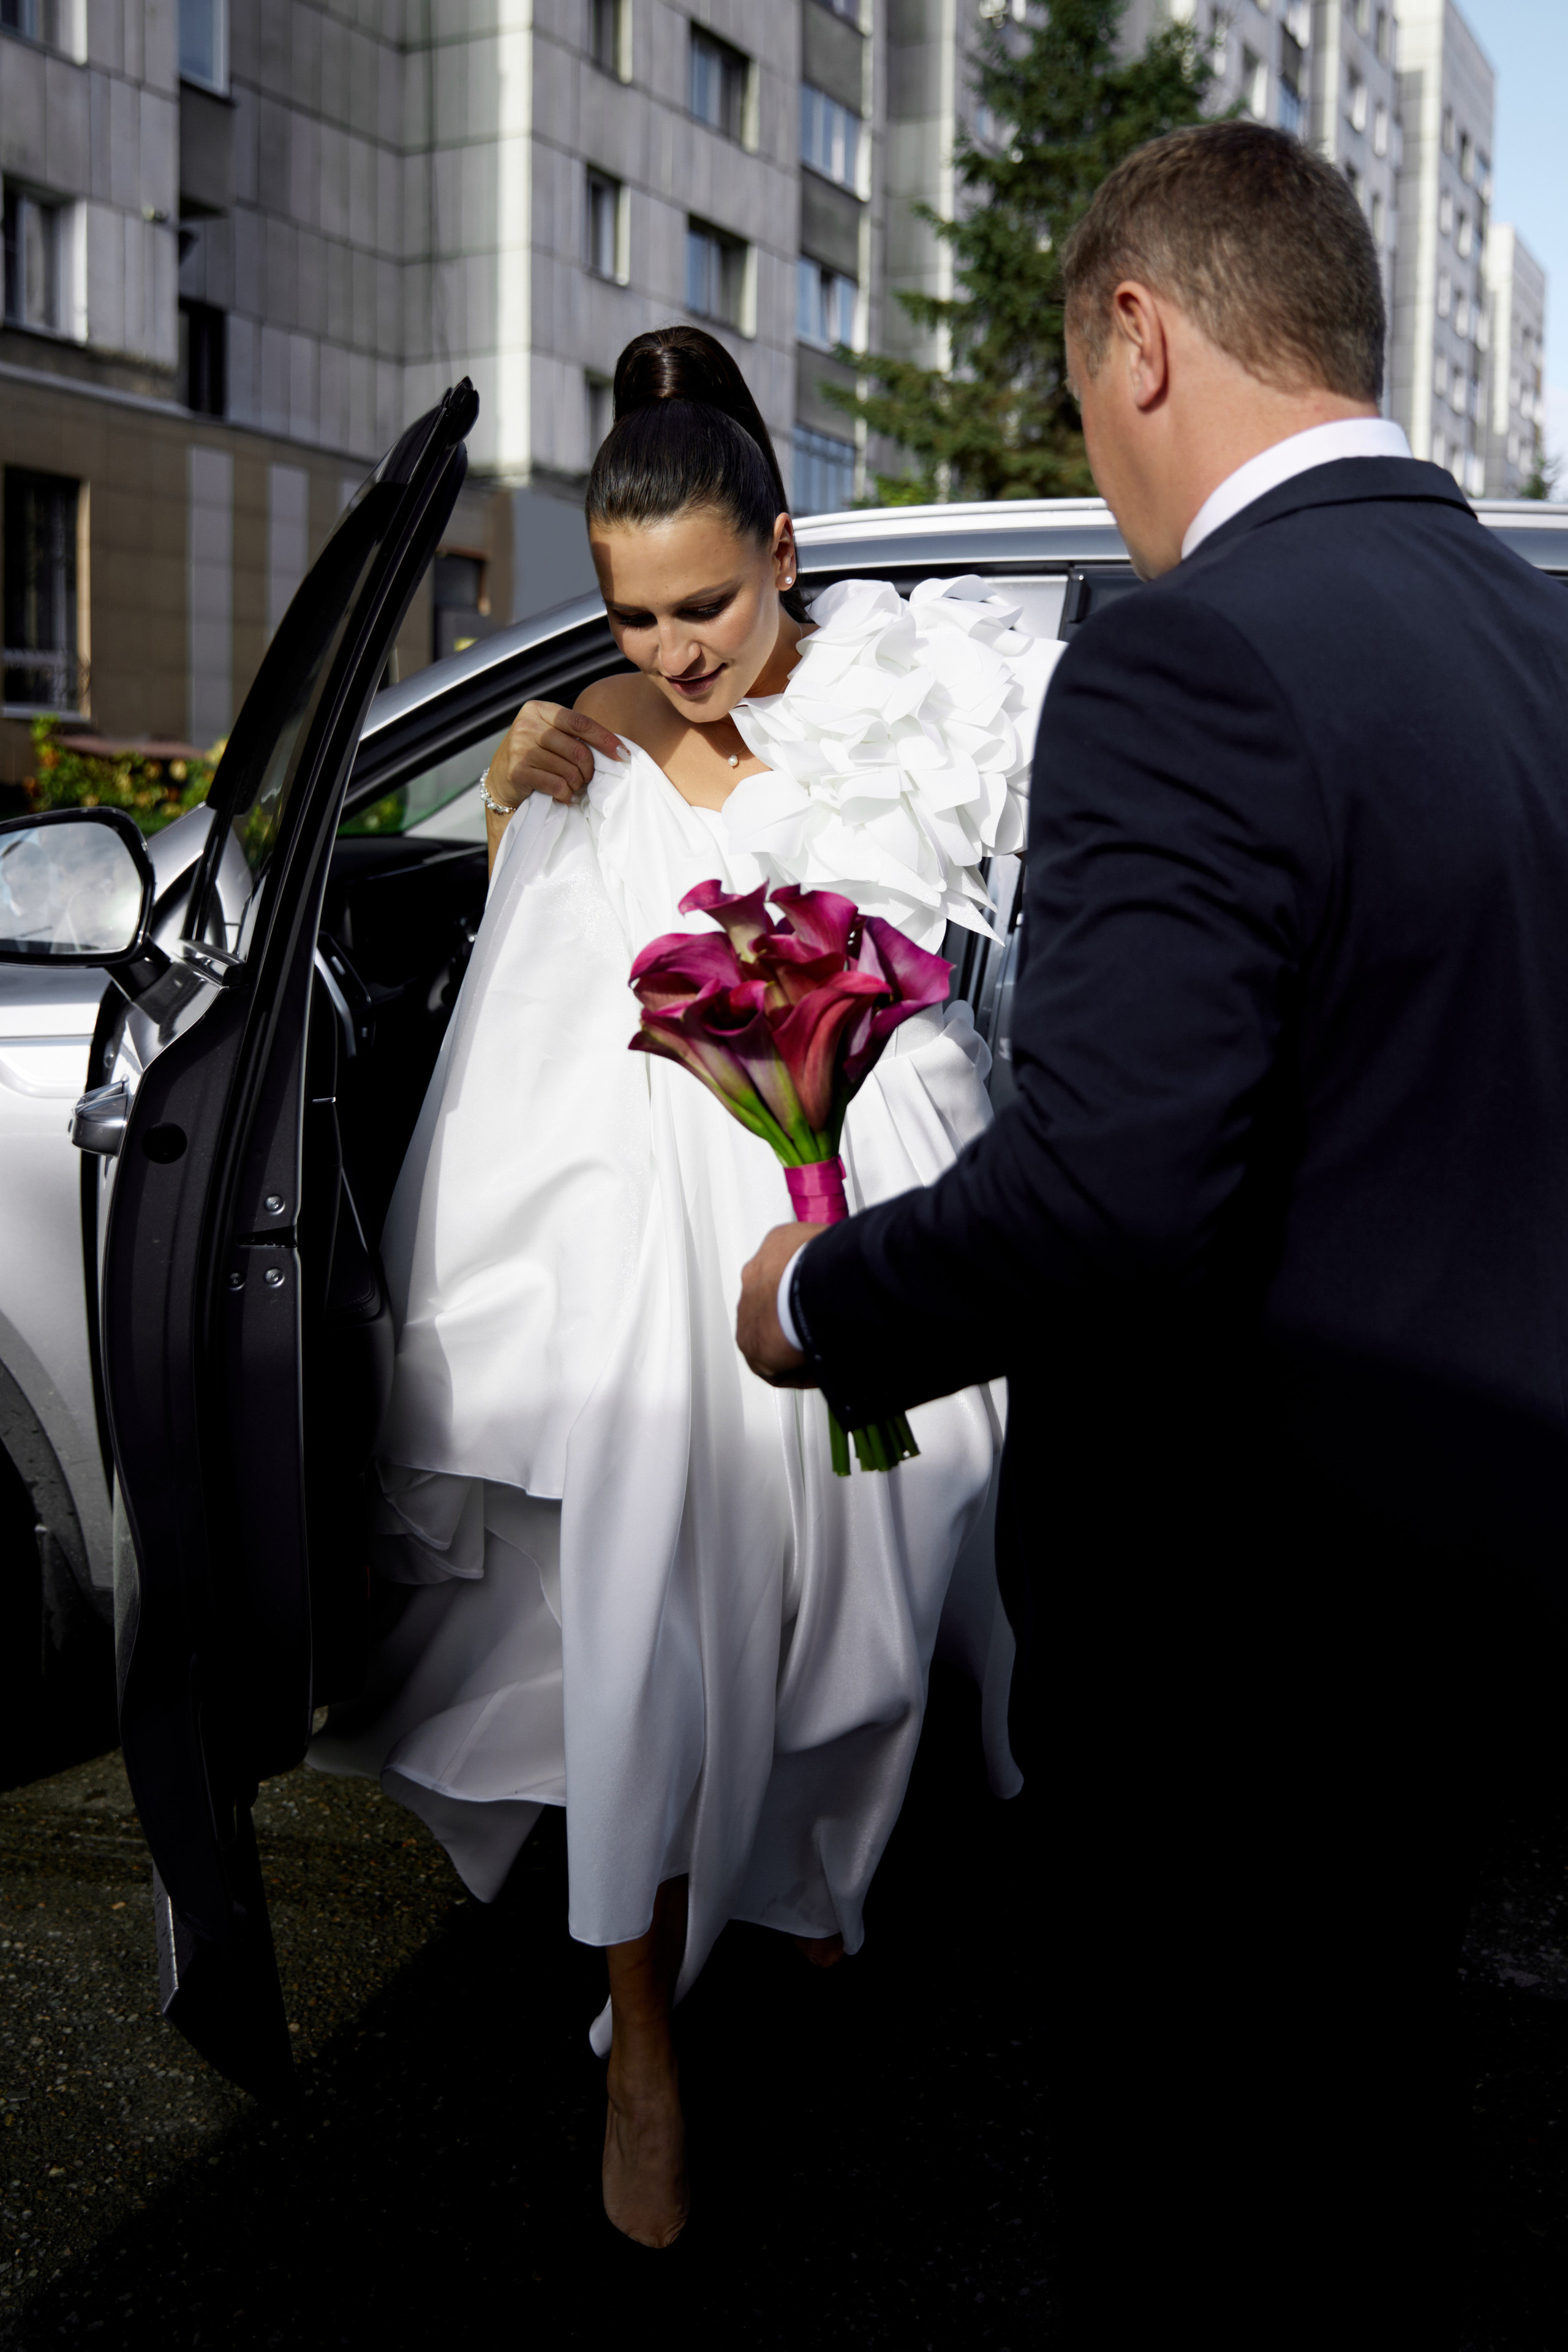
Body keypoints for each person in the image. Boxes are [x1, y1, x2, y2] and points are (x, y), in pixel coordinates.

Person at [737, 121, 1568, 2339]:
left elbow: (1110, 1193)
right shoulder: (1533, 639)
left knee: (1203, 2211)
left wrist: (820, 1297)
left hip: (1241, 1647)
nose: (1099, 458)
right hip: (1485, 1597)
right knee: (1374, 2147)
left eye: (1083, 394)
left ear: (1141, 335)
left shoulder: (1192, 661)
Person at [311, 325, 1055, 2250]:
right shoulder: (582, 751)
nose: (673, 653)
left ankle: (812, 1876)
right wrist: (507, 805)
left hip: (873, 1217)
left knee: (888, 1590)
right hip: (644, 1263)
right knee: (645, 1609)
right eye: (635, 618)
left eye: (706, 605)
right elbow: (518, 1050)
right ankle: (642, 2043)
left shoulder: (905, 697)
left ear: (786, 550)